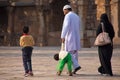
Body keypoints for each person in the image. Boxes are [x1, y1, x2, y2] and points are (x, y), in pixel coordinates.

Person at [61, 4, 81, 74]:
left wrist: (63, 36)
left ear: (66, 9)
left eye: (64, 11)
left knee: (69, 53)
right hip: (76, 37)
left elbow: (66, 26)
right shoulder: (77, 16)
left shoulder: (68, 16)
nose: (63, 13)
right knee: (74, 53)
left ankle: (76, 66)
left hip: (70, 37)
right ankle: (73, 69)